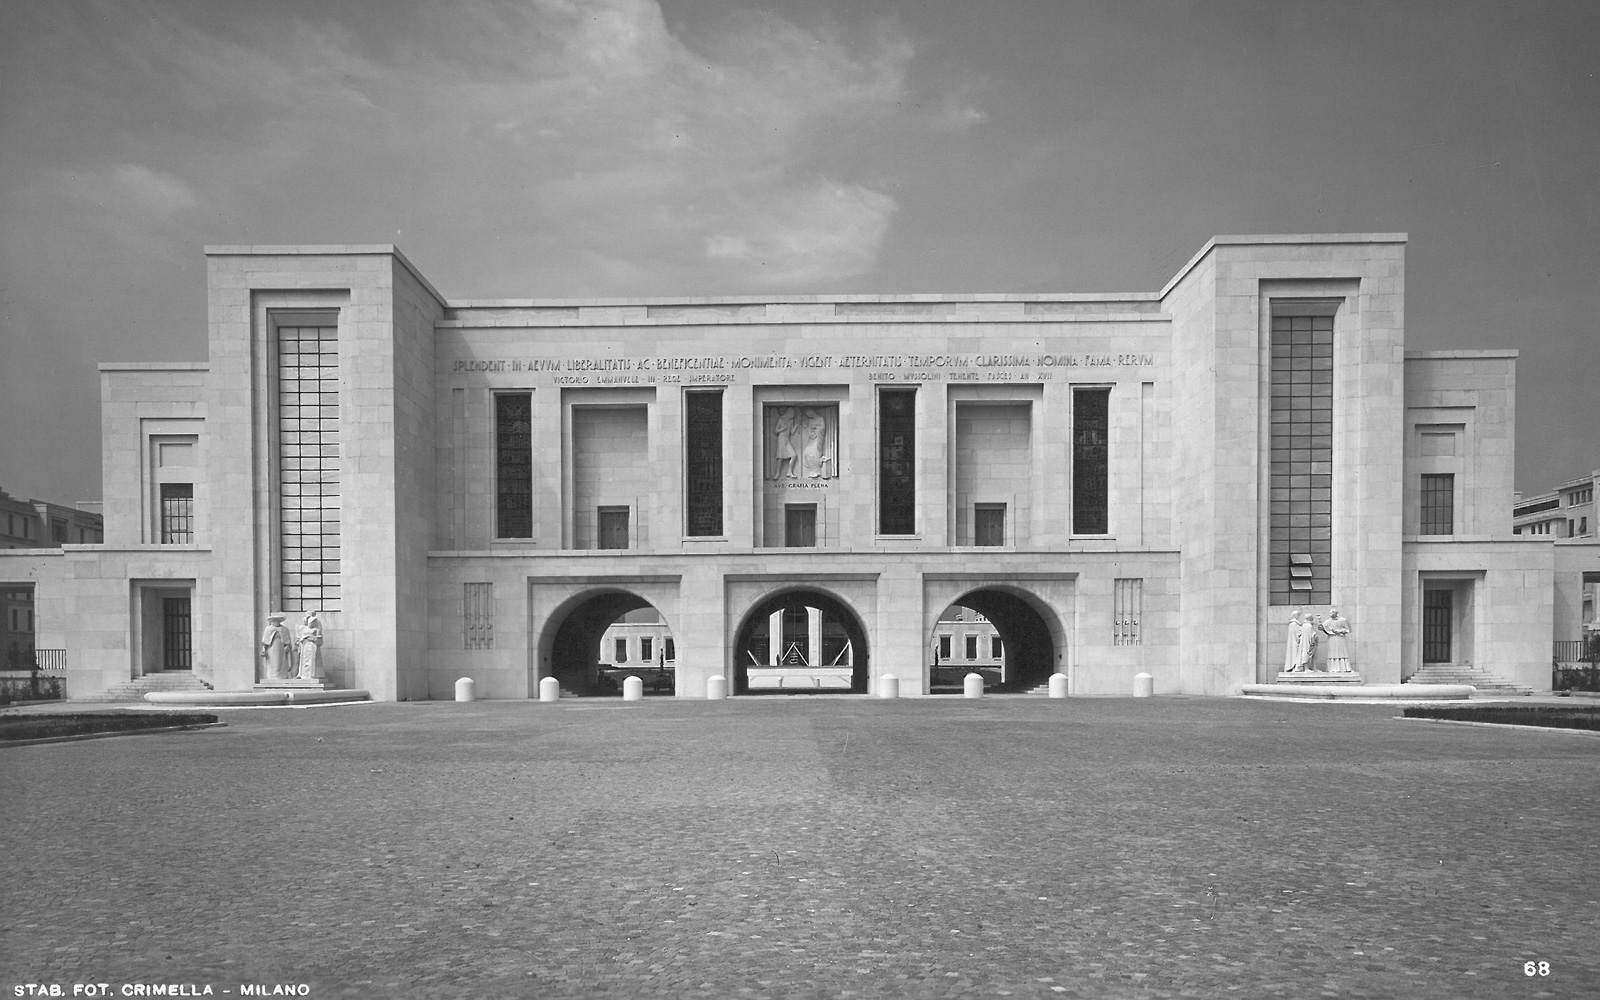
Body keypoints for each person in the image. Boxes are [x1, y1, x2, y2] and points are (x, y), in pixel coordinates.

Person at [259, 613, 296, 680]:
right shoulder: (268, 629)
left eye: (276, 621)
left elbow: (287, 640)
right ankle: (272, 677)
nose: (275, 622)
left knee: (281, 662)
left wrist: (287, 646)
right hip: (271, 648)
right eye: (274, 621)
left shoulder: (284, 629)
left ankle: (282, 676)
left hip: (281, 648)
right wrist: (264, 649)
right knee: (273, 663)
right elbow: (265, 641)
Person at [296, 611, 323, 680]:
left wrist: (313, 639)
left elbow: (319, 638)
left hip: (312, 646)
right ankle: (303, 674)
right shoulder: (303, 627)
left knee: (312, 660)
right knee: (304, 660)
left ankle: (312, 674)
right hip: (305, 646)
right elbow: (300, 637)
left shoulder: (316, 628)